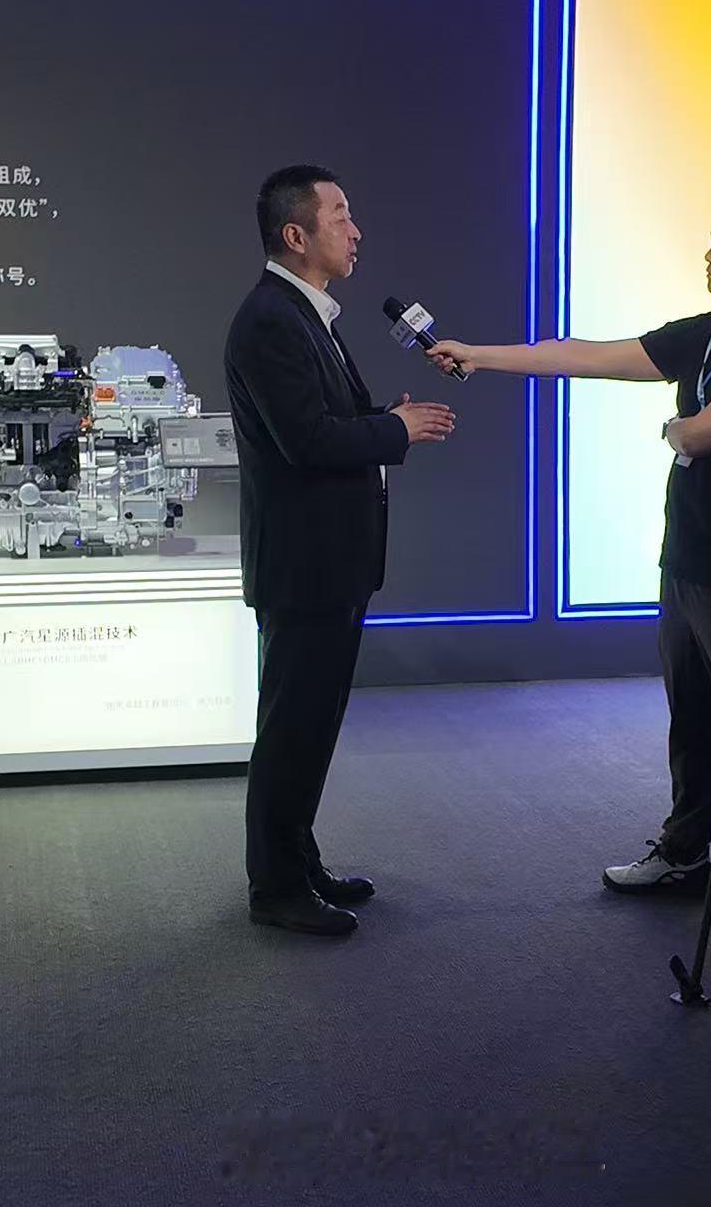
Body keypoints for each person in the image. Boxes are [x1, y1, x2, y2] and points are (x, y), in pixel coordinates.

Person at [427, 206, 711, 986]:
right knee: (692, 716)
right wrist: (478, 355)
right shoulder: (708, 333)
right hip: (685, 560)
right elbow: (587, 356)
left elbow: (703, 433)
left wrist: (678, 430)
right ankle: (684, 851)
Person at [225, 164, 456, 937]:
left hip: (330, 563)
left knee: (311, 726)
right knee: (292, 728)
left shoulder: (305, 314)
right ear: (296, 235)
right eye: (340, 217)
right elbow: (307, 441)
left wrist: (384, 420)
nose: (356, 232)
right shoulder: (271, 319)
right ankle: (276, 888)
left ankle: (299, 862)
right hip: (305, 565)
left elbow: (328, 422)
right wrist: (395, 430)